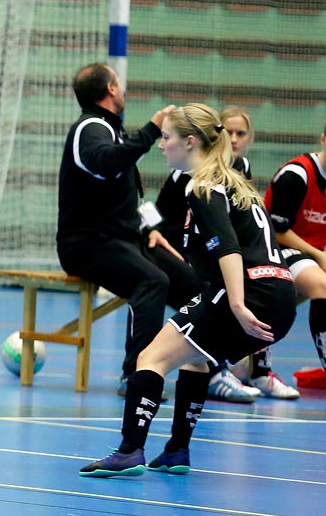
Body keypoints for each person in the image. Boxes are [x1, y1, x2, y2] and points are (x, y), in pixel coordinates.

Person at [80, 104, 297, 477]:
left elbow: (227, 248)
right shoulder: (232, 180)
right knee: (196, 358)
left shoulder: (203, 186)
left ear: (190, 141)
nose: (161, 146)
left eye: (167, 138)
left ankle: (130, 449)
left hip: (251, 290)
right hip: (281, 296)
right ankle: (177, 449)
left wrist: (238, 304)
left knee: (151, 359)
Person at [56, 63, 196, 394]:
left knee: (190, 283)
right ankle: (138, 374)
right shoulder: (88, 128)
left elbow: (128, 196)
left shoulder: (111, 130)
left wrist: (151, 228)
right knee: (151, 281)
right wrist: (152, 129)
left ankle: (208, 367)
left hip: (123, 239)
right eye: (118, 82)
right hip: (87, 244)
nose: (123, 88)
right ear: (110, 90)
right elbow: (106, 163)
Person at [154, 105, 292, 401]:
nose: (233, 138)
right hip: (182, 249)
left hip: (222, 260)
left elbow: (228, 244)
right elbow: (159, 213)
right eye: (227, 131)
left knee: (234, 296)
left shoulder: (232, 173)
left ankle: (249, 371)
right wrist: (149, 230)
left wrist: (237, 301)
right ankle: (215, 368)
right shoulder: (186, 174)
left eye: (240, 133)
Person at [264, 123, 326, 382]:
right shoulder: (297, 174)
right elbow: (277, 231)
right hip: (278, 250)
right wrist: (320, 255)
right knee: (322, 286)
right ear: (323, 140)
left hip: (313, 252)